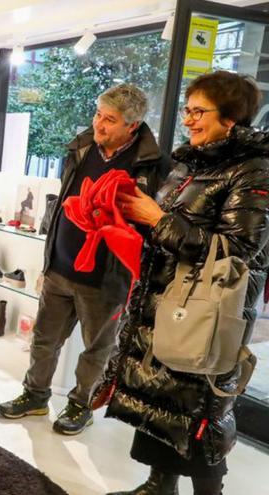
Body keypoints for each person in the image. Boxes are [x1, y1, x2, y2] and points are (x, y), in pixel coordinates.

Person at [103, 71, 268, 495]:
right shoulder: (191, 164)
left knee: (197, 411)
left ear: (230, 118)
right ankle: (159, 485)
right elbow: (171, 231)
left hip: (208, 312)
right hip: (168, 301)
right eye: (187, 110)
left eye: (199, 111)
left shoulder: (252, 171)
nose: (189, 119)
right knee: (163, 402)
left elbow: (236, 251)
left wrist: (157, 220)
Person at [0, 83, 171, 435]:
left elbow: (152, 221)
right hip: (62, 263)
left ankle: (81, 404)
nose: (99, 125)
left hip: (107, 276)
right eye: (97, 115)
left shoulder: (152, 165)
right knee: (45, 338)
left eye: (110, 120)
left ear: (131, 126)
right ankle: (34, 395)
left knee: (97, 347)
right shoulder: (82, 146)